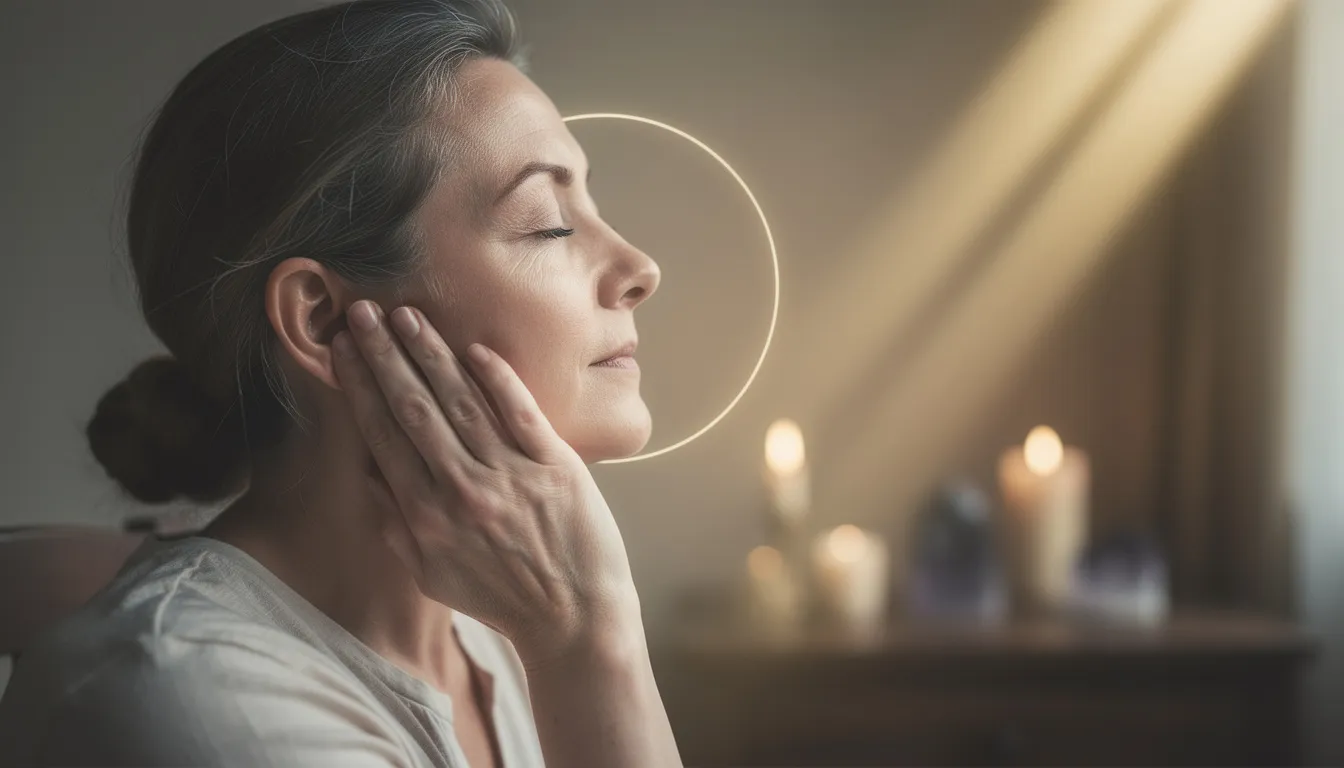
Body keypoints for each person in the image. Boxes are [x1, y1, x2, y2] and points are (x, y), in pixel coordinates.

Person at [0, 1, 682, 766]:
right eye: (548, 222)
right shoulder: (186, 700)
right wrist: (589, 640)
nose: (639, 269)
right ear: (322, 319)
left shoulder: (497, 636)